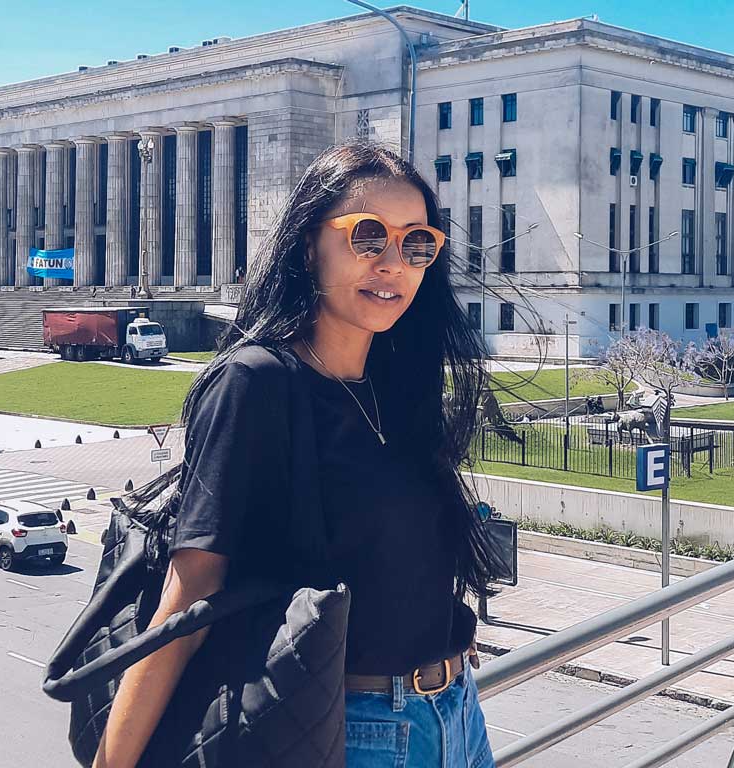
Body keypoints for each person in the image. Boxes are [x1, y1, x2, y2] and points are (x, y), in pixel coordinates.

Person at [93, 141, 498, 768]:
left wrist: (439, 634)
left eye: (417, 243)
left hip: (457, 717)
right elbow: (189, 594)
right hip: (352, 730)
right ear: (310, 244)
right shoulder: (254, 383)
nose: (394, 263)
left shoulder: (396, 382)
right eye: (369, 236)